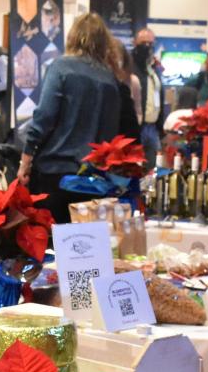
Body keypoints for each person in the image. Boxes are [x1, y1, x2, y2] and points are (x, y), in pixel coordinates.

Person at [19, 12, 135, 223]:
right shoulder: (110, 80)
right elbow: (112, 134)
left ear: (73, 36)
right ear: (104, 43)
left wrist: (25, 161)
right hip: (95, 181)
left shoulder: (61, 67)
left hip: (54, 176)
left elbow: (43, 117)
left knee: (51, 246)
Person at [131, 27, 165, 162]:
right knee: (134, 169)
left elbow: (159, 96)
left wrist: (160, 128)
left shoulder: (154, 68)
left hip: (153, 128)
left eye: (150, 43)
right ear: (135, 43)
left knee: (153, 172)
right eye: (143, 43)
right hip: (136, 127)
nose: (147, 47)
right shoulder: (129, 66)